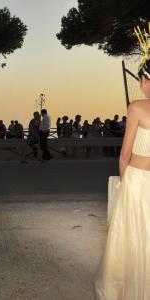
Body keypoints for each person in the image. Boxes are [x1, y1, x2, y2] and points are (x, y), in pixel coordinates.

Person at [94, 26, 150, 299]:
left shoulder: (137, 108)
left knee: (132, 238)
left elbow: (125, 153)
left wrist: (124, 180)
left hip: (138, 180)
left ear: (144, 80)